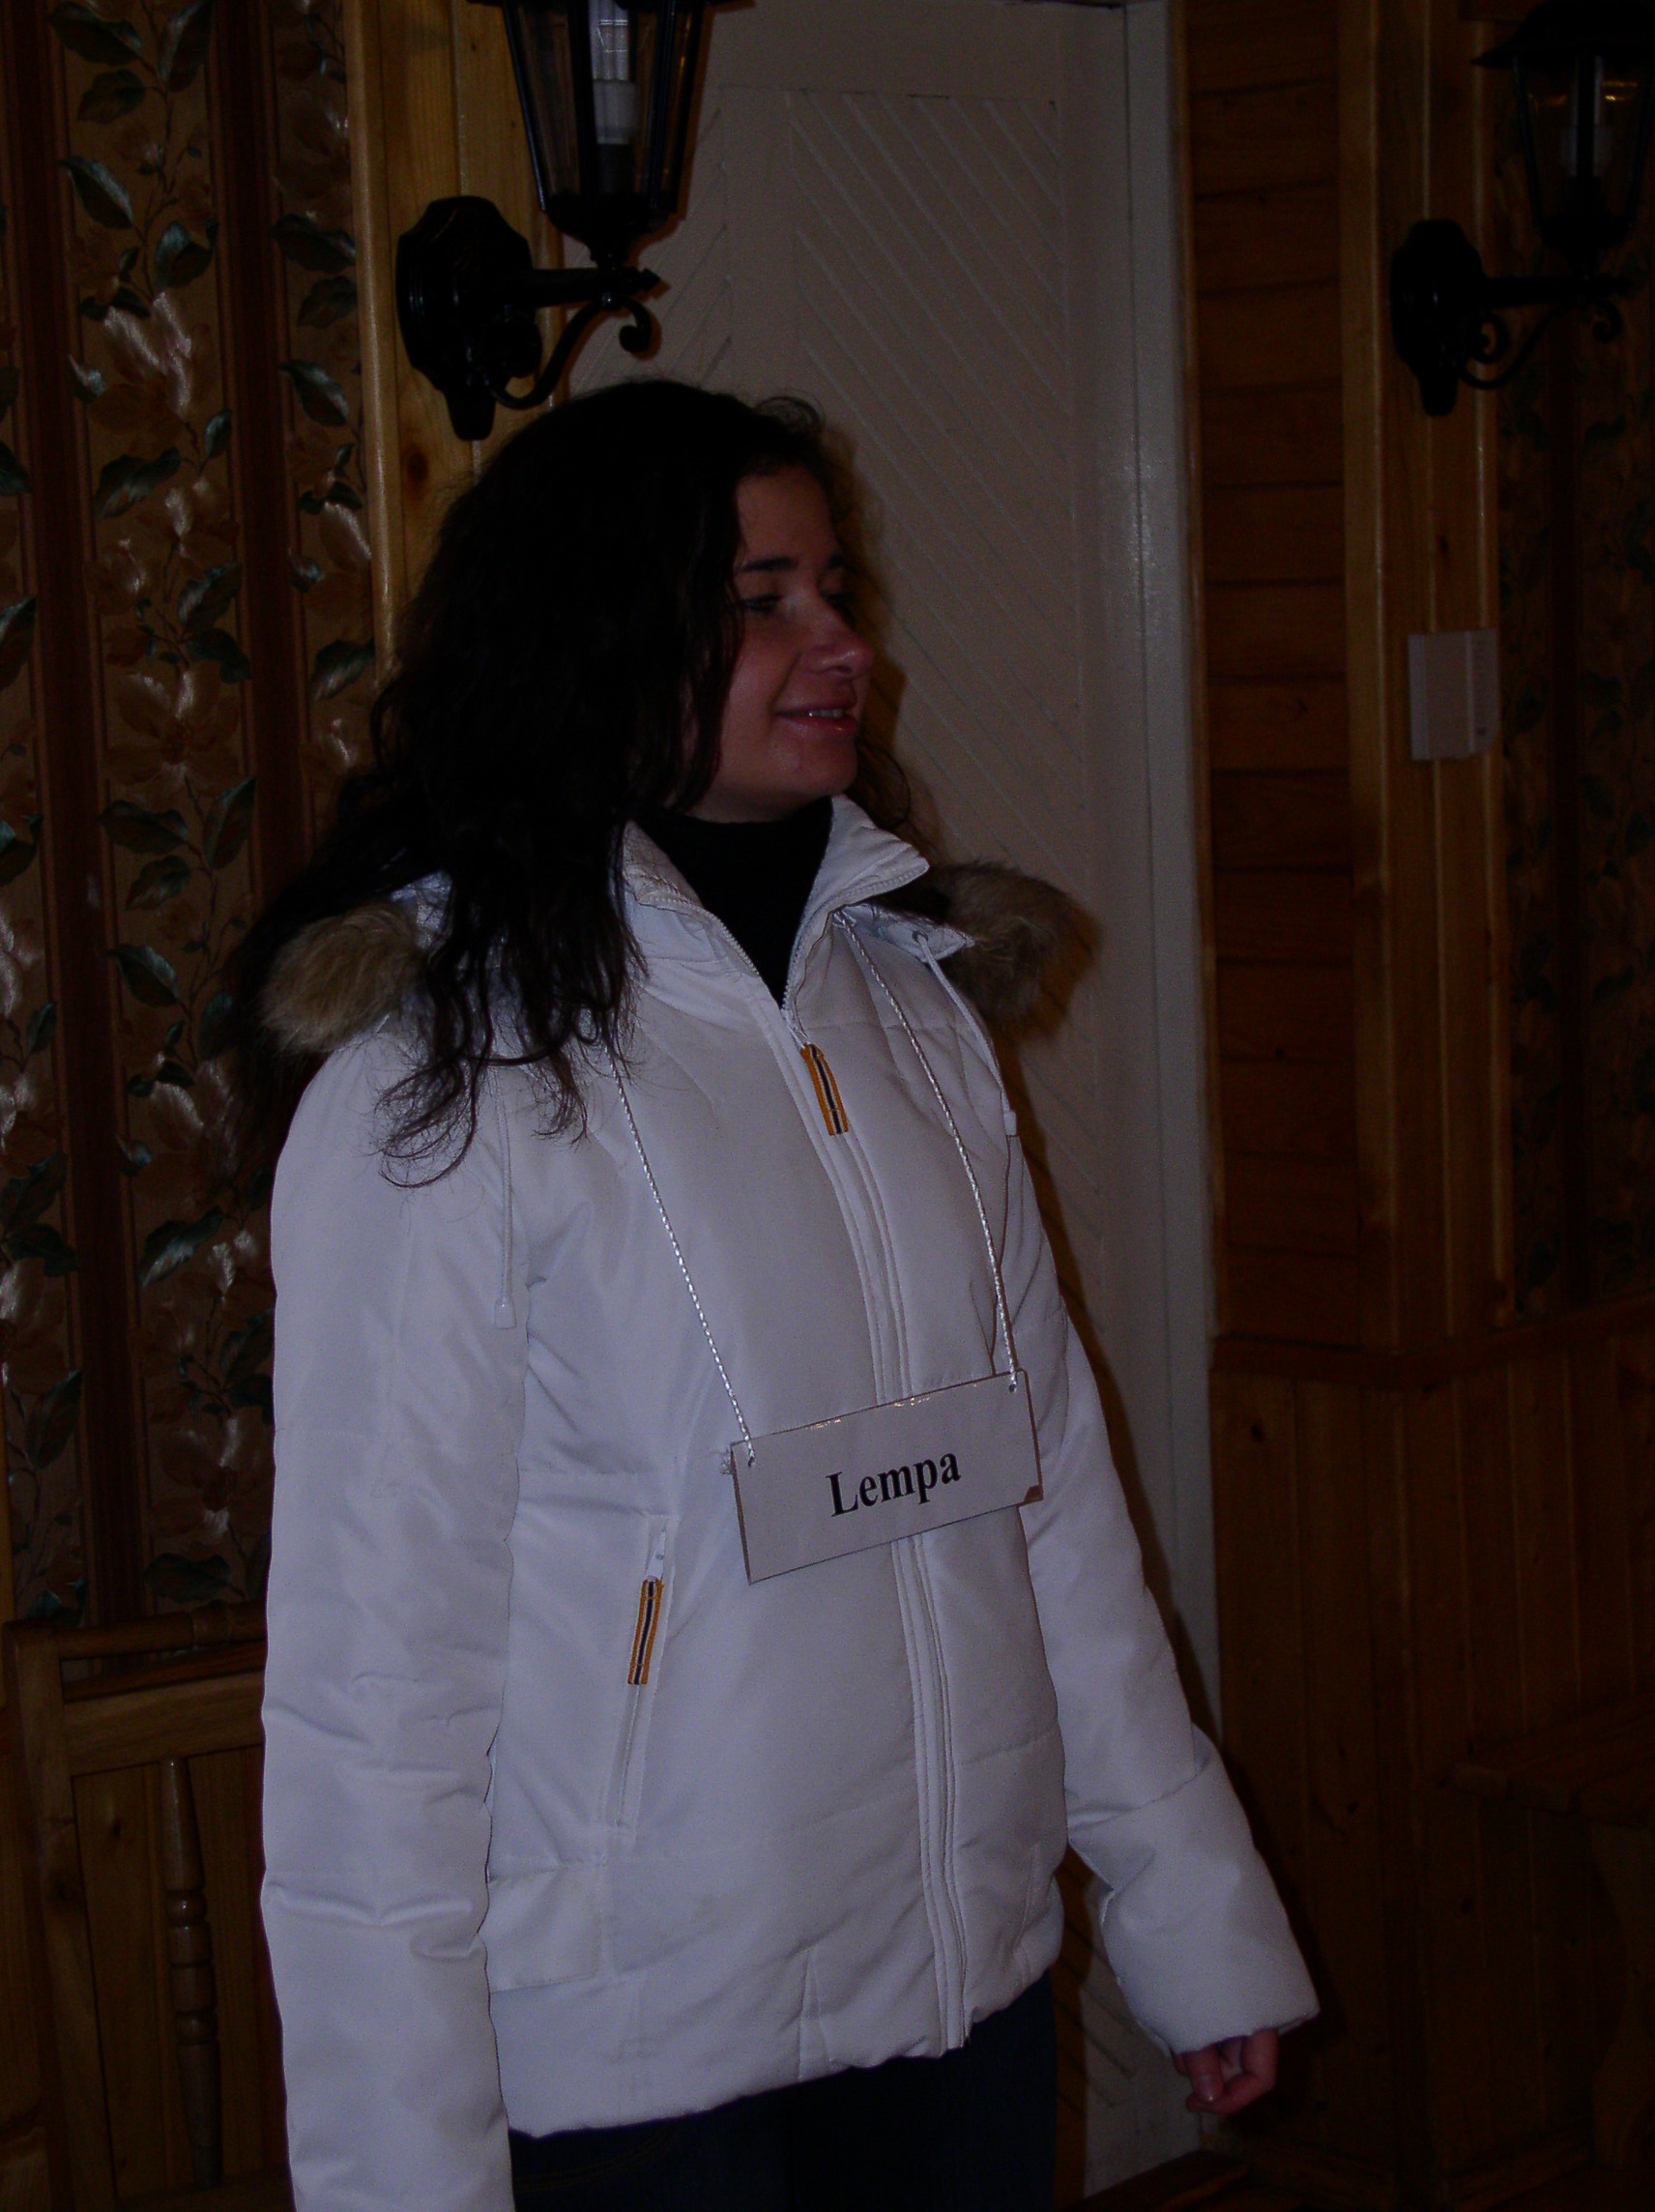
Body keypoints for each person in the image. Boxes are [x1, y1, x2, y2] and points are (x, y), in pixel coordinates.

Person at [237, 380, 1316, 2212]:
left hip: (958, 1987)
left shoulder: (913, 1011)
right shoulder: (441, 1072)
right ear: (599, 639)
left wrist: (1191, 1913)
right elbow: (375, 1692)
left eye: (837, 588)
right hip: (641, 2055)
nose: (842, 644)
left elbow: (1051, 1510)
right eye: (762, 601)